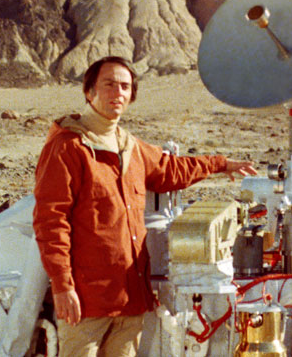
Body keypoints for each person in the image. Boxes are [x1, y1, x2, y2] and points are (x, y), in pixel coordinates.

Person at [32, 56, 257, 357]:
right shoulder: (69, 147)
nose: (118, 93)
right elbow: (51, 221)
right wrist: (62, 287)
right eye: (109, 84)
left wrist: (220, 164)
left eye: (125, 87)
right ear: (89, 92)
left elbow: (171, 169)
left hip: (129, 297)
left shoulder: (131, 147)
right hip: (86, 301)